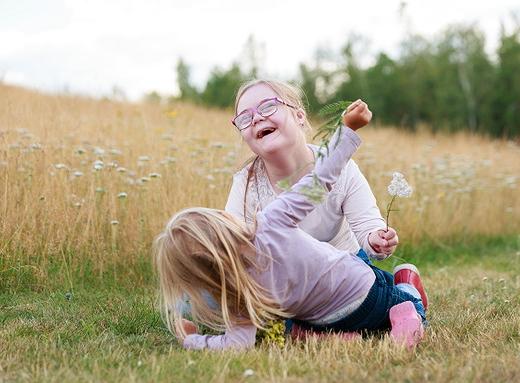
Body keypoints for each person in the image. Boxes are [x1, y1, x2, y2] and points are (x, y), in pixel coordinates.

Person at [153, 101, 428, 351]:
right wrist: (347, 130)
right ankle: (407, 305)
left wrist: (191, 340)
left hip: (321, 322)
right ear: (226, 219)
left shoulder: (240, 297)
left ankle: (328, 336)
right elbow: (321, 179)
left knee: (279, 321)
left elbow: (237, 344)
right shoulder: (271, 221)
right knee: (403, 298)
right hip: (367, 293)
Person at [225, 79, 398, 265]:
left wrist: (377, 240)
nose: (256, 118)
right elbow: (236, 248)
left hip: (345, 267)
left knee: (373, 292)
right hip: (287, 282)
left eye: (268, 107)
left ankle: (407, 282)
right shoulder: (246, 183)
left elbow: (368, 226)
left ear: (299, 116)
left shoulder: (341, 166)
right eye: (245, 118)